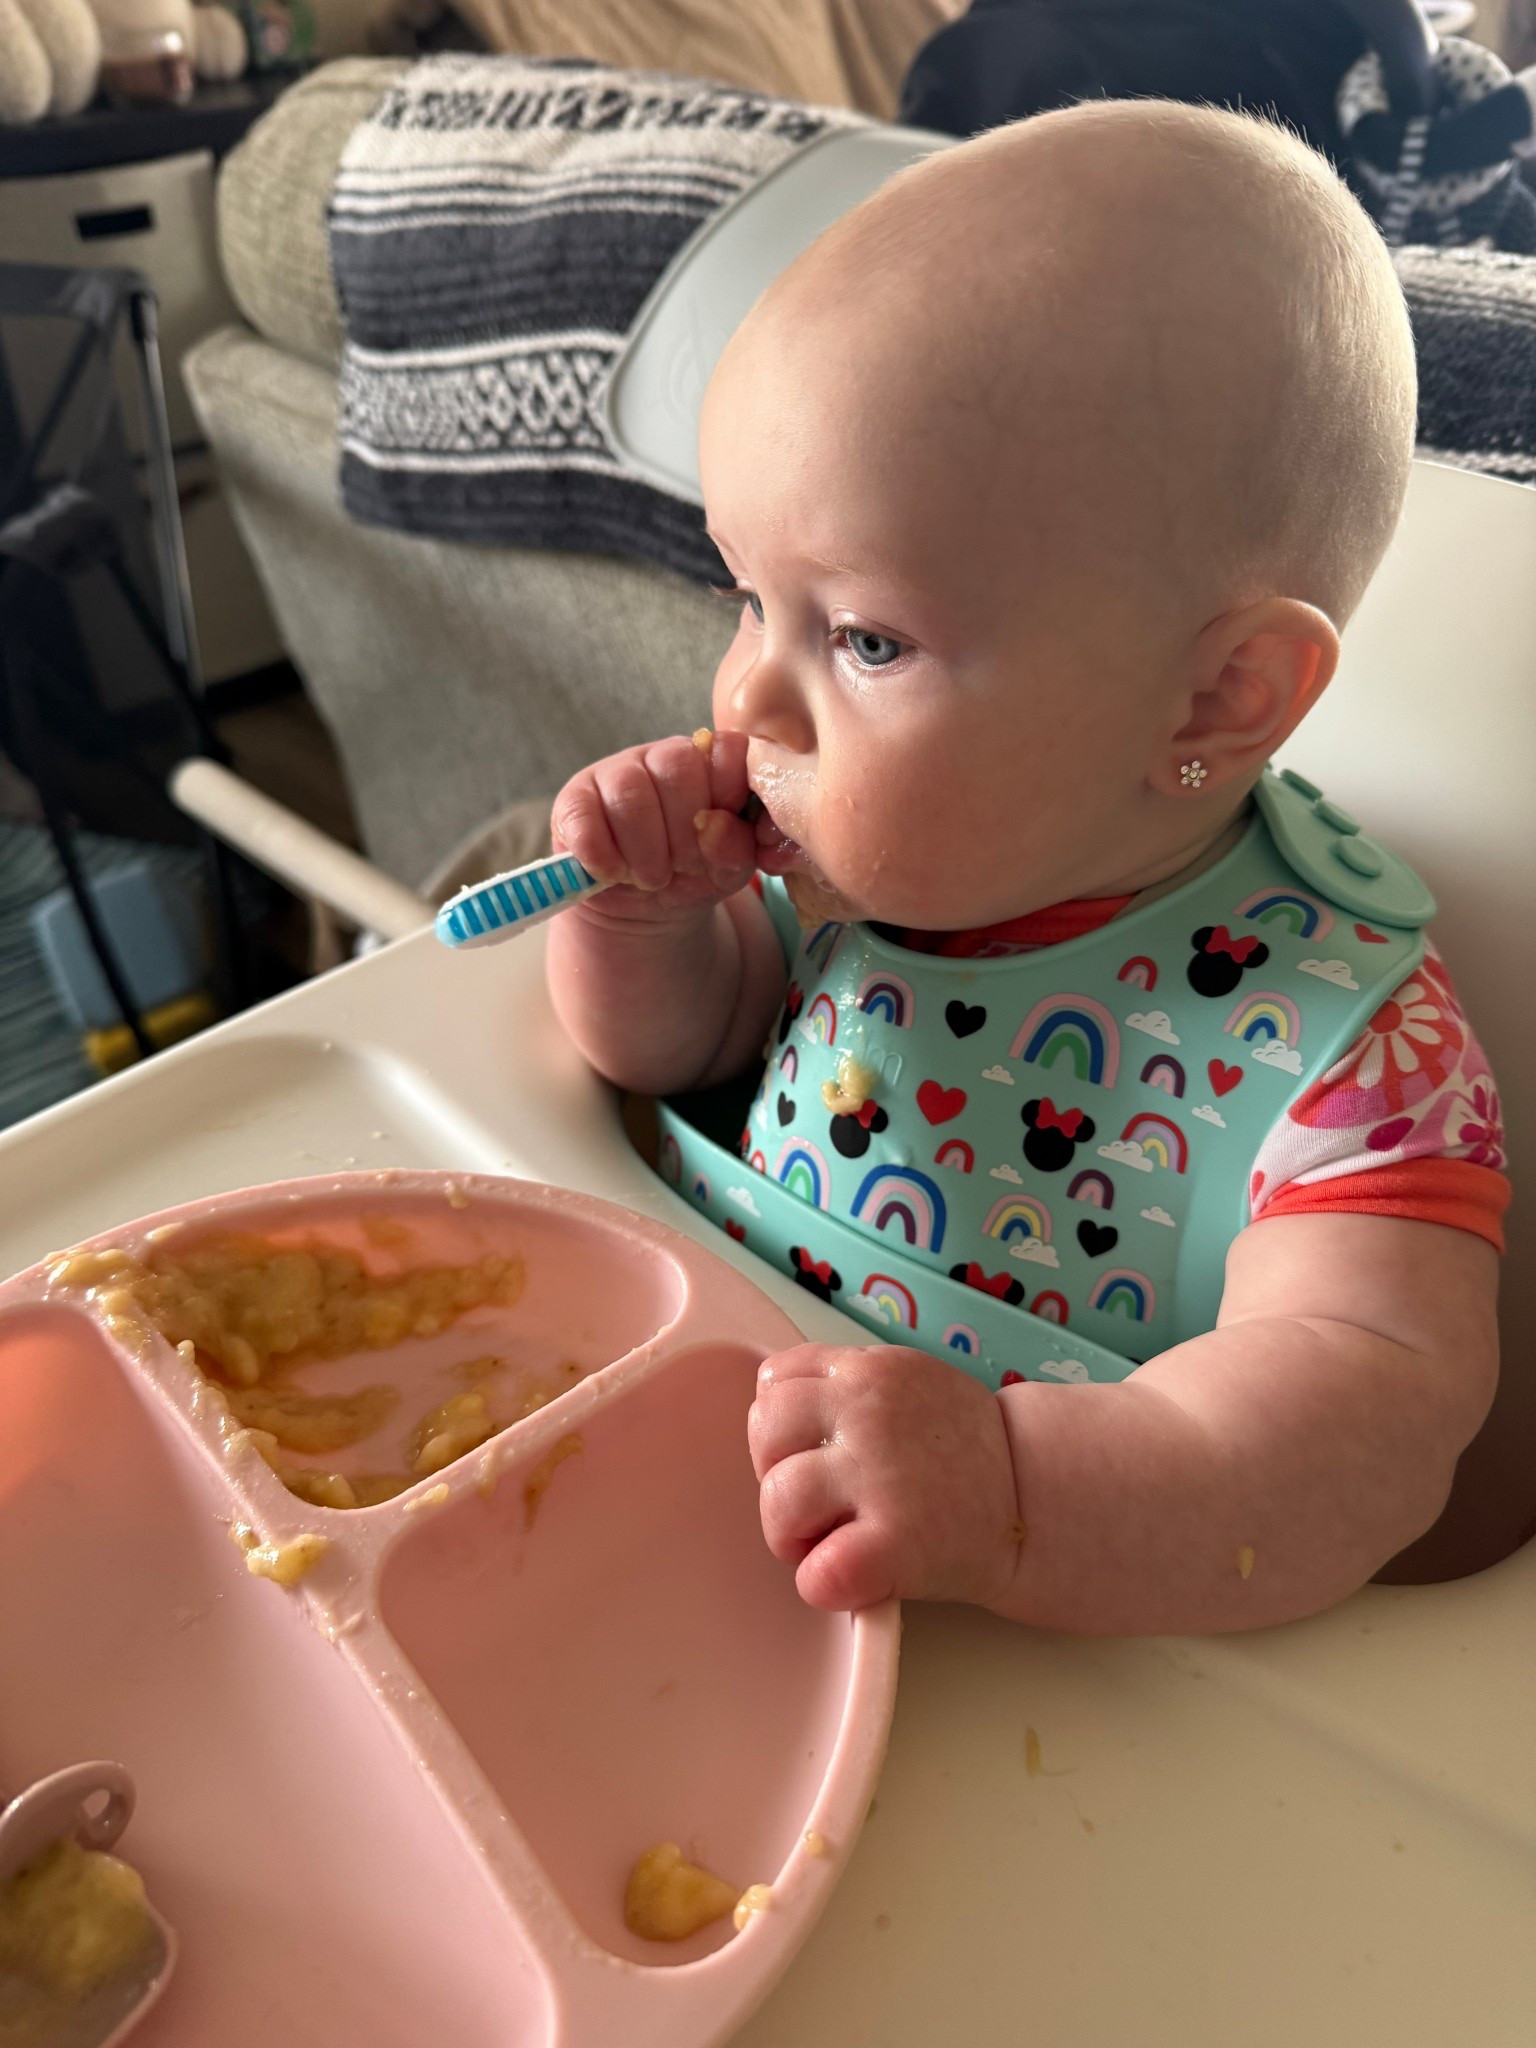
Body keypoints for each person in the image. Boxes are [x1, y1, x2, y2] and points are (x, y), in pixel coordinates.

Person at [545, 100, 1506, 1634]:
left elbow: (1364, 1434)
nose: (745, 703)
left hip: (1017, 1672)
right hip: (669, 1508)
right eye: (749, 603)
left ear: (1215, 700)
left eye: (863, 638)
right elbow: (700, 1052)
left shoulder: (1350, 1052)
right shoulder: (884, 865)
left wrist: (1009, 1492)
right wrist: (648, 921)